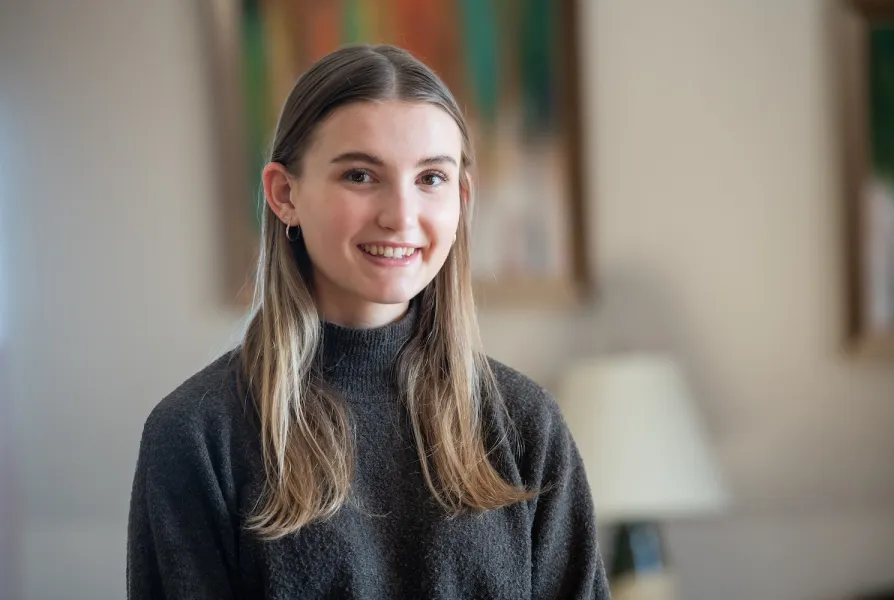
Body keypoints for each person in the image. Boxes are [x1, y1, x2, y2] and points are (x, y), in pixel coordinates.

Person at [127, 44, 610, 599]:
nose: (401, 215)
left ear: (461, 198)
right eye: (360, 175)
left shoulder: (524, 424)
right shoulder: (195, 434)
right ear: (284, 194)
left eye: (431, 178)